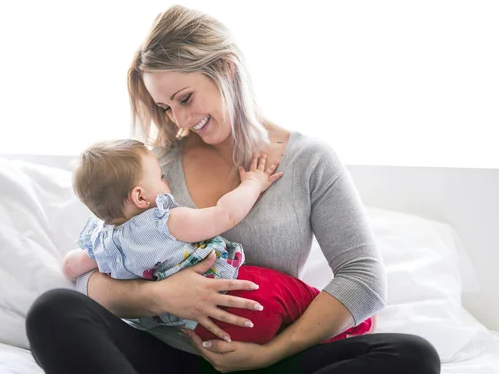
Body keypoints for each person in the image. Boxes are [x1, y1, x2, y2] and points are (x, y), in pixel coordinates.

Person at [26, 4, 441, 373]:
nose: (181, 120)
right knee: (53, 311)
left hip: (269, 358)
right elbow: (90, 274)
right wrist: (160, 297)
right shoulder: (154, 170)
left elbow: (364, 279)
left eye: (185, 98)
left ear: (226, 68)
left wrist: (272, 353)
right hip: (166, 354)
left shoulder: (308, 160)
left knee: (413, 356)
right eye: (167, 108)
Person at [61, 139, 373, 345]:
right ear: (140, 196)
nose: (165, 181)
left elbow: (72, 266)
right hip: (238, 295)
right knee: (293, 294)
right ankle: (355, 327)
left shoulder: (101, 240)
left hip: (201, 328)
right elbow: (225, 215)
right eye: (159, 177)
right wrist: (252, 183)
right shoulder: (165, 221)